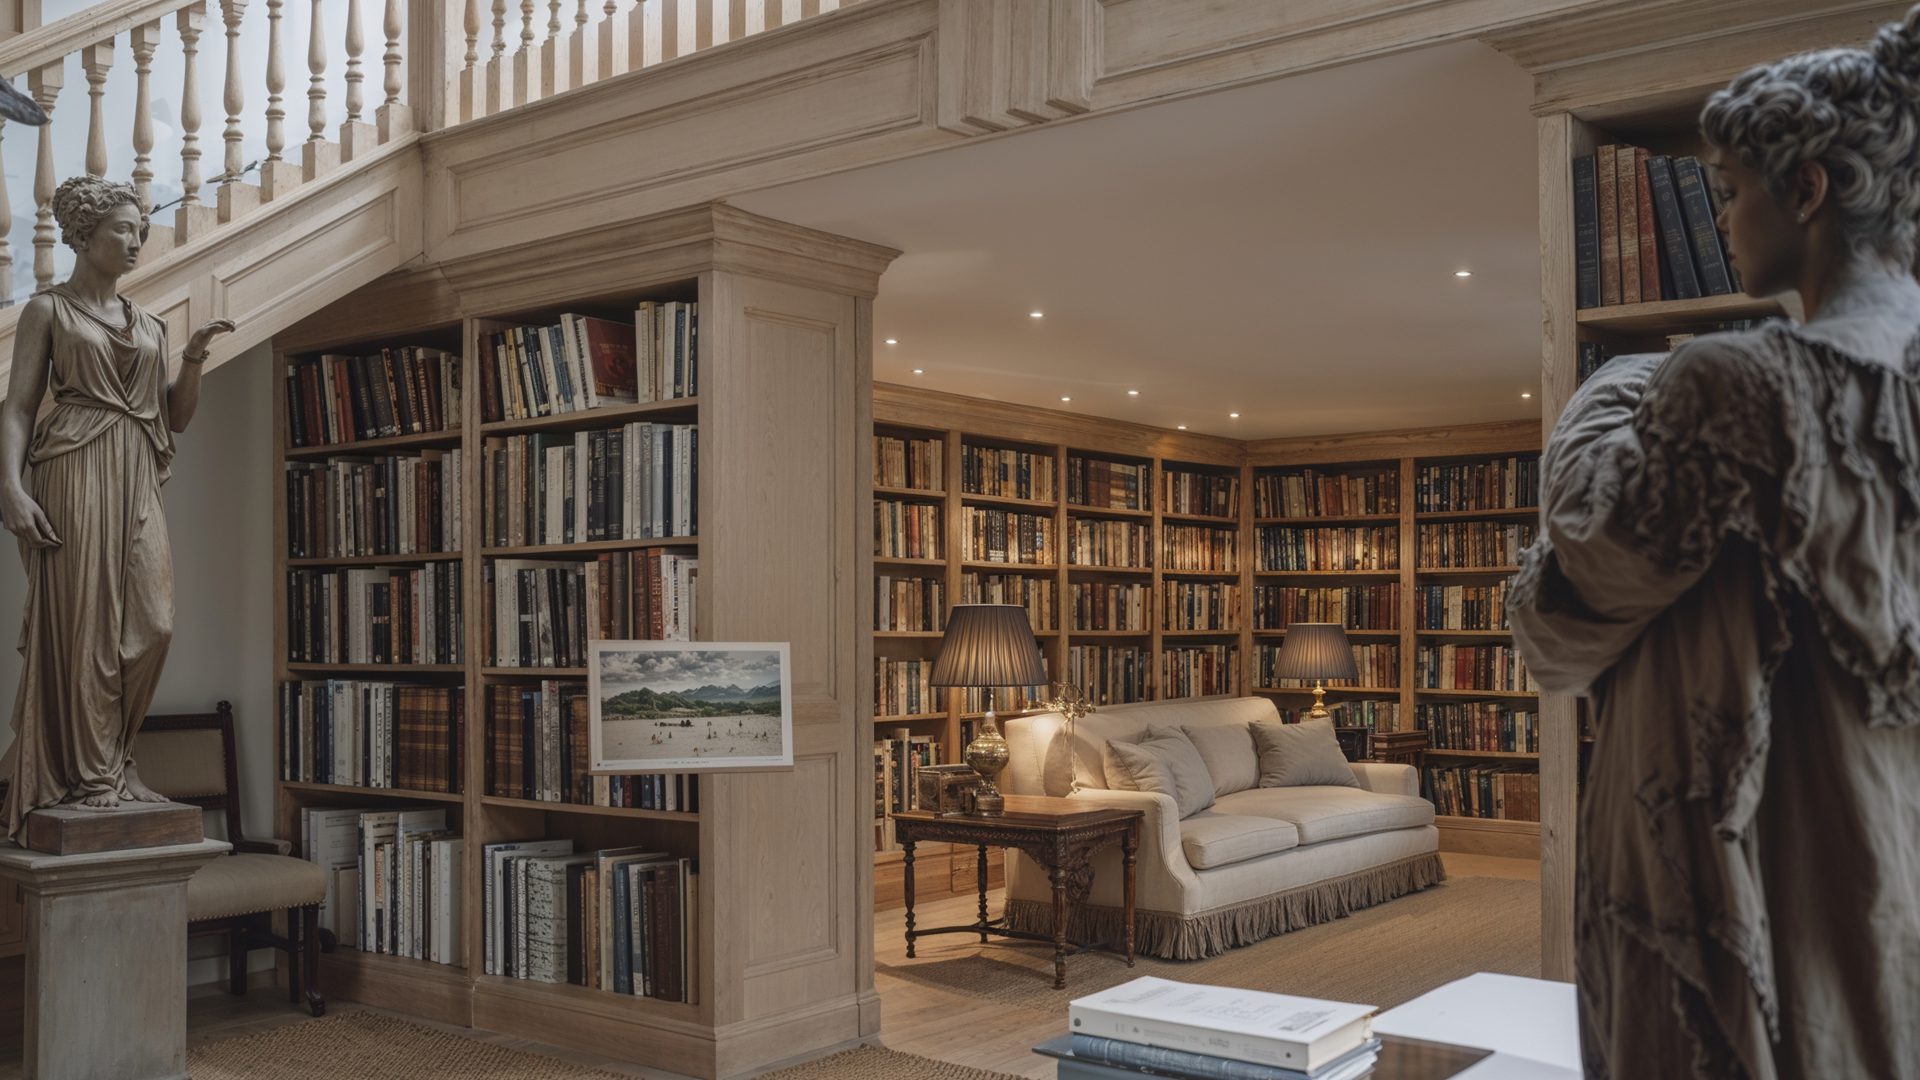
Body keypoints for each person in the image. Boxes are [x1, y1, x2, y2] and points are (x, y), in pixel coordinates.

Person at [1509, 8, 1920, 1078]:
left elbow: (1564, 614)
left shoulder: (1732, 385)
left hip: (1732, 901)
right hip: (1888, 873)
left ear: (1808, 190)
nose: (1725, 218)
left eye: (1732, 189)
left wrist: (1614, 384)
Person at [0, 176, 234, 836]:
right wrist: (10, 488)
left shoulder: (150, 323)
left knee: (153, 624)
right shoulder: (49, 311)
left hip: (135, 473)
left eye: (140, 229)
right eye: (121, 231)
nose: (135, 241)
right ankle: (92, 776)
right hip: (73, 469)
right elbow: (17, 407)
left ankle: (113, 760)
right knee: (86, 628)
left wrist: (189, 359)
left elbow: (176, 419)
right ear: (81, 235)